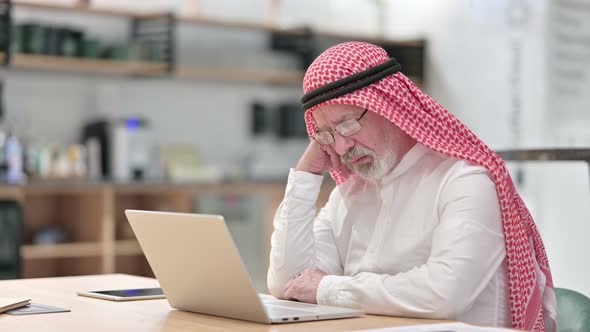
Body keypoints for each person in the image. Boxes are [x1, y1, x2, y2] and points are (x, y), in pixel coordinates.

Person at [267, 42, 556, 331]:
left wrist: (328, 289)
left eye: (348, 125)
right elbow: (289, 283)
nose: (342, 146)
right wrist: (306, 175)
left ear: (390, 106)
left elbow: (443, 295)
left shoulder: (465, 181)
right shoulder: (348, 194)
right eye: (327, 134)